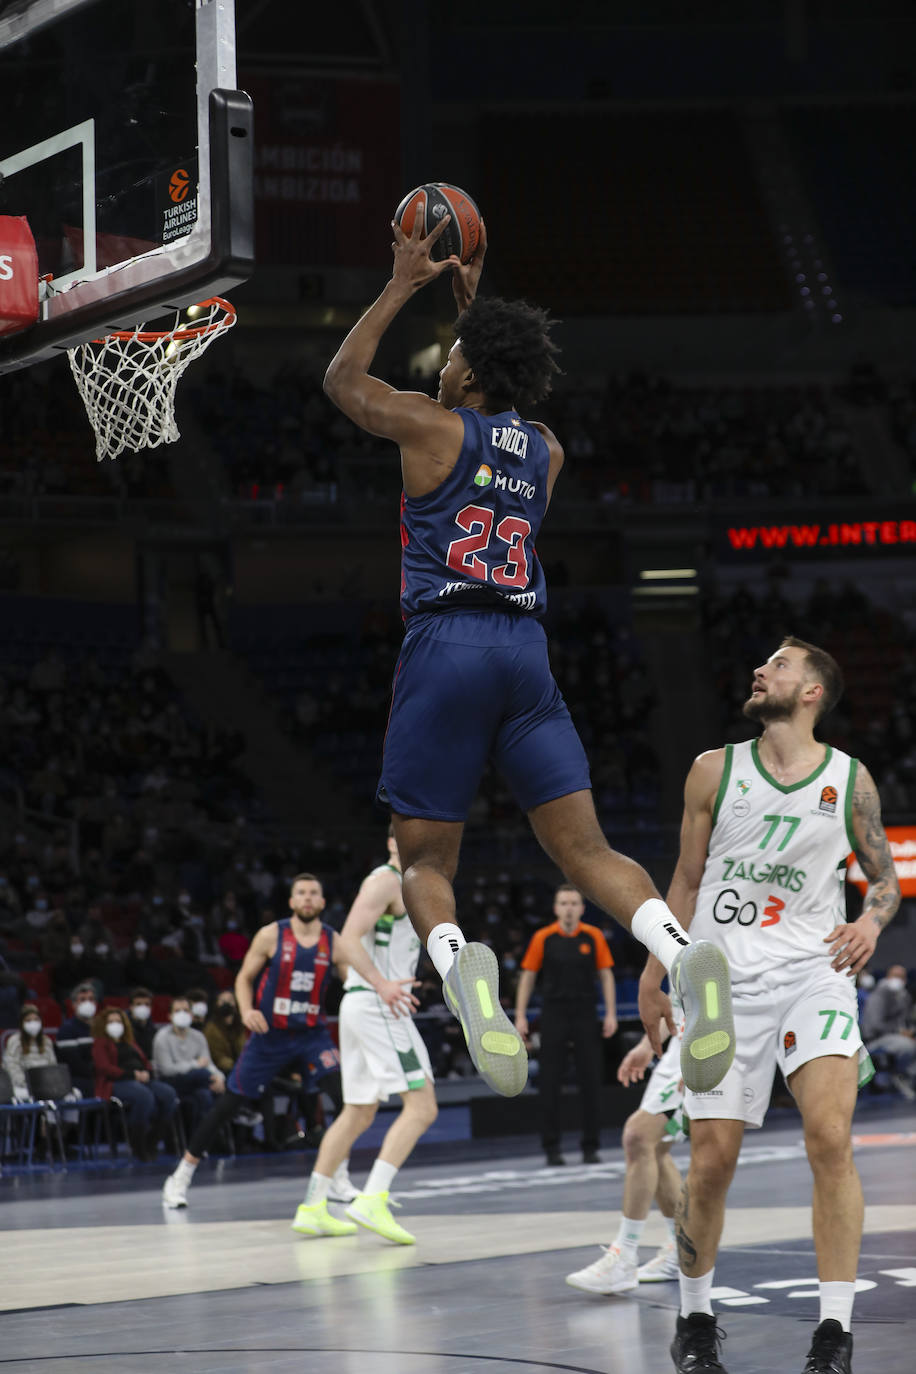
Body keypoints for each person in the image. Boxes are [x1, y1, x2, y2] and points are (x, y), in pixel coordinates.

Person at [321, 208, 734, 1104]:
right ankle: (681, 950)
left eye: (456, 356)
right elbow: (500, 393)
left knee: (423, 861)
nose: (445, 361)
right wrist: (475, 313)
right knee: (586, 850)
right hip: (525, 654)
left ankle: (460, 962)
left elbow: (343, 380)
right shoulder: (546, 453)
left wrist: (403, 285)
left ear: (465, 371)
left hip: (447, 645)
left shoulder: (430, 428)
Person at [637, 637, 901, 1374]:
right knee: (714, 1158)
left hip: (813, 975)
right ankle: (694, 1320)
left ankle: (834, 1335)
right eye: (762, 664)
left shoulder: (850, 781)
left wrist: (870, 921)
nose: (761, 670)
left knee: (830, 1136)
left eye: (780, 665)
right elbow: (685, 880)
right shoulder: (713, 770)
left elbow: (885, 879)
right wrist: (656, 971)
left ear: (813, 691)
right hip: (721, 980)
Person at [161, 873, 416, 1209]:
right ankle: (180, 1177)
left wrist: (384, 984)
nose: (308, 898)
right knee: (228, 1105)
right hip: (270, 1036)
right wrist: (248, 1008)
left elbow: (356, 979)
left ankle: (339, 1179)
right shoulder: (271, 935)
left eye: (314, 893)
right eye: (301, 893)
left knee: (347, 1099)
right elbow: (244, 977)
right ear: (292, 901)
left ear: (322, 902)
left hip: (312, 1036)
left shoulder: (335, 942)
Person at [292, 831, 437, 1244]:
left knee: (358, 1111)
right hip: (378, 1004)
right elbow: (346, 938)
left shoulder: (412, 884)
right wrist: (383, 985)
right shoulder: (385, 881)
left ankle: (313, 1206)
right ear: (392, 841)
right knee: (422, 1106)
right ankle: (372, 1198)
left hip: (362, 1004)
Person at [566, 1023, 685, 1293]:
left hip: (707, 1048)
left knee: (638, 1136)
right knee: (655, 1147)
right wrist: (647, 1045)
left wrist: (704, 1059)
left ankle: (624, 1257)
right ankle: (683, 1252)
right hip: (677, 1051)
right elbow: (678, 999)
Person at [514, 884, 617, 1166]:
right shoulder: (543, 938)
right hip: (554, 1013)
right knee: (549, 1081)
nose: (569, 908)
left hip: (585, 1012)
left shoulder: (593, 936)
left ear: (582, 908)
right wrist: (521, 1015)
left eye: (574, 903)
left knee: (591, 1081)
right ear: (556, 908)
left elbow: (606, 975)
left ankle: (590, 1147)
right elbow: (528, 976)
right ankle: (551, 1148)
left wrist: (610, 1013)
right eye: (563, 903)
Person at [91, 1006, 178, 1160]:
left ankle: (153, 1139)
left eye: (118, 1021)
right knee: (144, 1096)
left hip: (140, 1079)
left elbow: (144, 1061)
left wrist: (146, 1072)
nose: (115, 1024)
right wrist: (131, 1074)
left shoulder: (130, 1042)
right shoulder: (100, 1043)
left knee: (168, 1094)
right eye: (110, 1022)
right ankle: (138, 1142)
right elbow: (103, 1068)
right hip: (115, 1082)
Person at [152, 995, 225, 1133]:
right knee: (201, 1074)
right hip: (171, 1082)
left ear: (192, 1015)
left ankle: (199, 1144)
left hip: (198, 1083)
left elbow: (208, 1063)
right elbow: (167, 1070)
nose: (182, 1014)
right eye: (177, 1011)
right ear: (169, 1015)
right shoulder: (162, 1038)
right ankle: (239, 1111)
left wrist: (219, 1078)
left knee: (205, 1095)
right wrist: (195, 1064)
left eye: (185, 1011)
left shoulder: (198, 1036)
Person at [860, 964, 915, 1097]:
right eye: (895, 976)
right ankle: (900, 1075)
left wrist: (910, 1031)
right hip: (875, 1039)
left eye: (902, 977)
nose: (899, 980)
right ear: (887, 977)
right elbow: (874, 1025)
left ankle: (906, 1078)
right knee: (907, 1045)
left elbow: (908, 1021)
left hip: (896, 1036)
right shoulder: (878, 996)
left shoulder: (904, 996)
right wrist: (899, 1032)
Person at [2, 1001, 58, 1099]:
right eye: (28, 1020)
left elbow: (52, 1066)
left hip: (46, 1085)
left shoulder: (47, 1042)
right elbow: (12, 1068)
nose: (33, 1023)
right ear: (22, 1023)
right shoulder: (15, 1041)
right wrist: (29, 1083)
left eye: (36, 1019)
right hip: (23, 1086)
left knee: (73, 1095)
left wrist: (48, 1083)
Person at [55, 981, 100, 1096]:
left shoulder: (101, 1028)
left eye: (91, 999)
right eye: (83, 999)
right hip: (78, 1079)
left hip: (100, 1076)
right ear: (74, 1004)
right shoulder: (67, 1030)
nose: (88, 1003)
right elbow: (74, 1065)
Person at [126, 987, 156, 1060]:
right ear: (131, 1007)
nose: (143, 1008)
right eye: (138, 1004)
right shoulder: (124, 1029)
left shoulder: (154, 1030)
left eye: (146, 1004)